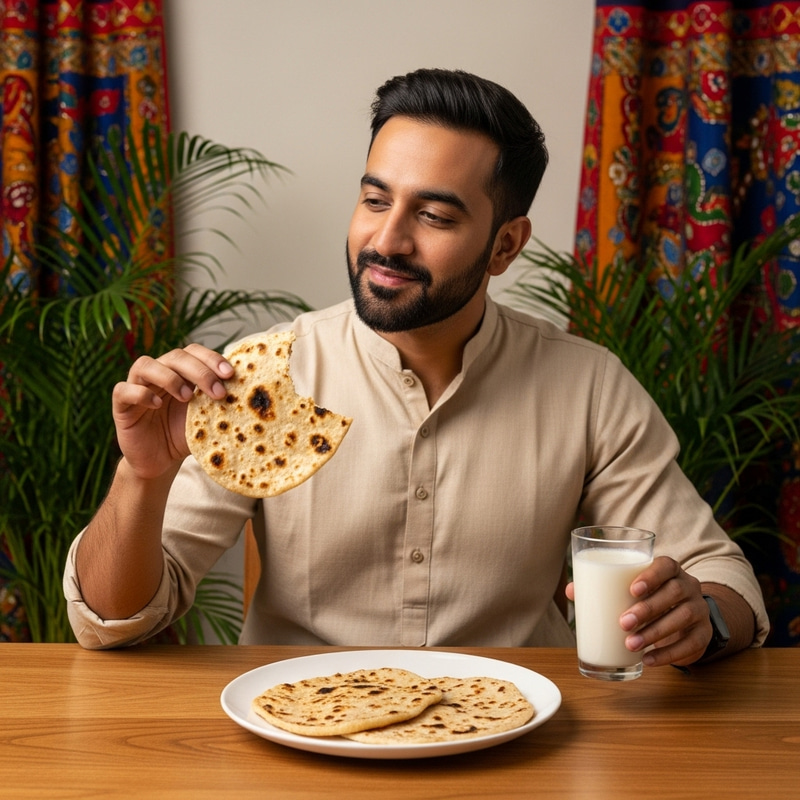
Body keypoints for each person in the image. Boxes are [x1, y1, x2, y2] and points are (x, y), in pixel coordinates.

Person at [64, 68, 768, 666]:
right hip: (298, 740)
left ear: (504, 246)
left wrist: (698, 615)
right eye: (374, 200)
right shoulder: (256, 381)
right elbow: (112, 622)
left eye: (434, 215)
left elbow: (725, 578)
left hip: (517, 740)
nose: (387, 239)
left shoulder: (588, 387)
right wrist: (142, 476)